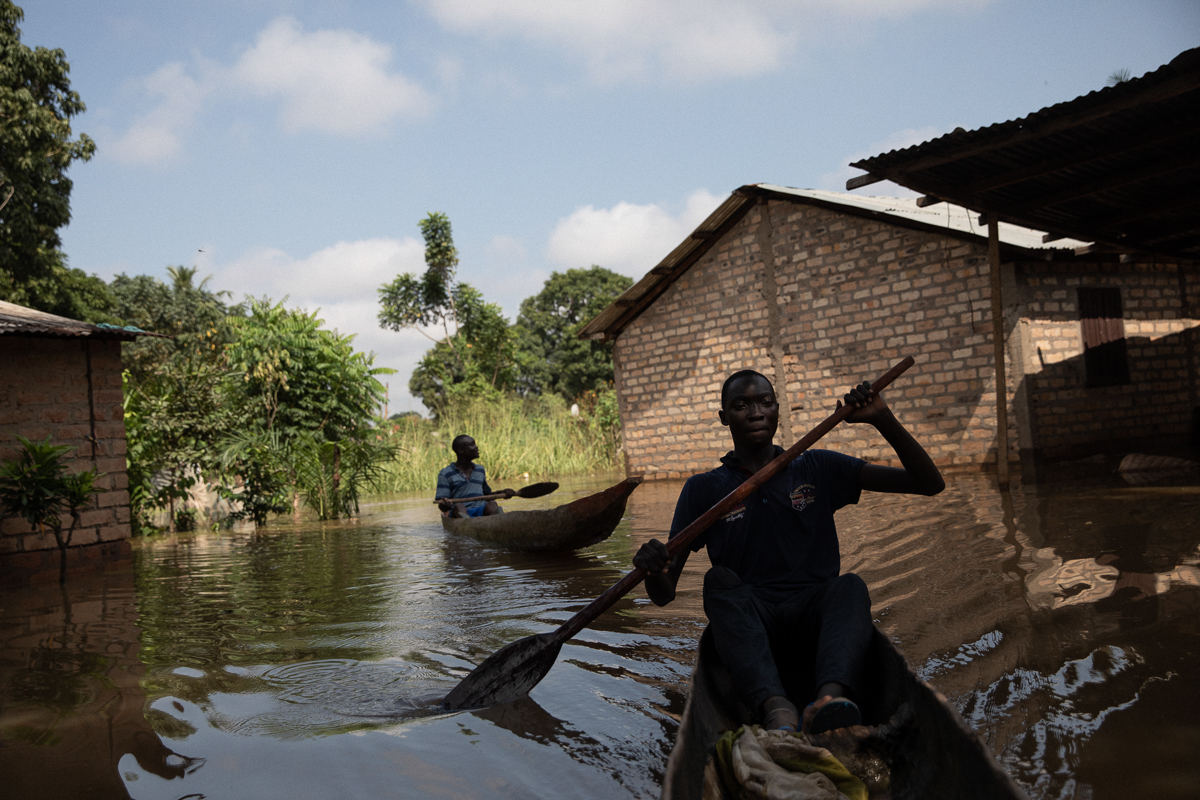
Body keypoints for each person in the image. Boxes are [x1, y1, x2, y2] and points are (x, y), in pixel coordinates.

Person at [632, 369, 944, 734]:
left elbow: (929, 484)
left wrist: (882, 419)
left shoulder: (816, 467)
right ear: (723, 418)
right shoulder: (704, 489)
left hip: (814, 618)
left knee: (849, 587)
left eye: (766, 402)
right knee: (718, 581)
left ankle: (828, 701)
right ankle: (775, 707)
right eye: (741, 405)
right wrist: (654, 569)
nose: (756, 412)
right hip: (752, 626)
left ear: (778, 411)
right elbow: (665, 594)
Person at [436, 435, 513, 518]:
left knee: (492, 504)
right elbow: (441, 506)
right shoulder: (445, 473)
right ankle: (468, 523)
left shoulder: (480, 470)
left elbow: (487, 495)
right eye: (472, 445)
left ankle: (499, 520)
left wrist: (503, 492)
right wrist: (446, 504)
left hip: (480, 509)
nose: (476, 447)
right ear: (461, 450)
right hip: (459, 512)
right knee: (459, 507)